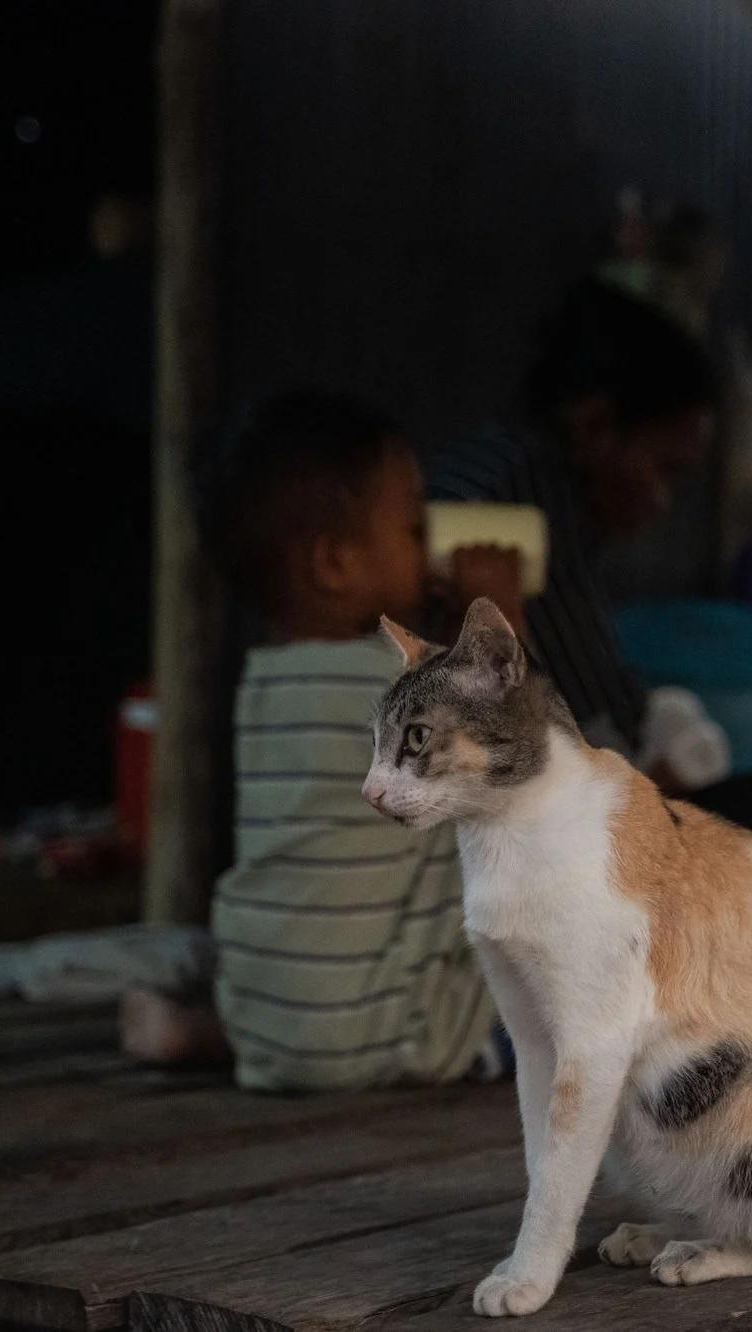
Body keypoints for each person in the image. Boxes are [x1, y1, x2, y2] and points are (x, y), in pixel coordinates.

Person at [122, 392, 522, 1089]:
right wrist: (500, 609)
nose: (430, 549)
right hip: (387, 1032)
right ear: (335, 564)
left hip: (264, 1019)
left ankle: (204, 1031)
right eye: (413, 528)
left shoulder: (266, 685)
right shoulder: (400, 690)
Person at [424, 276, 752, 849]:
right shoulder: (506, 501)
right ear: (596, 426)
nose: (663, 502)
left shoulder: (547, 501)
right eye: (665, 470)